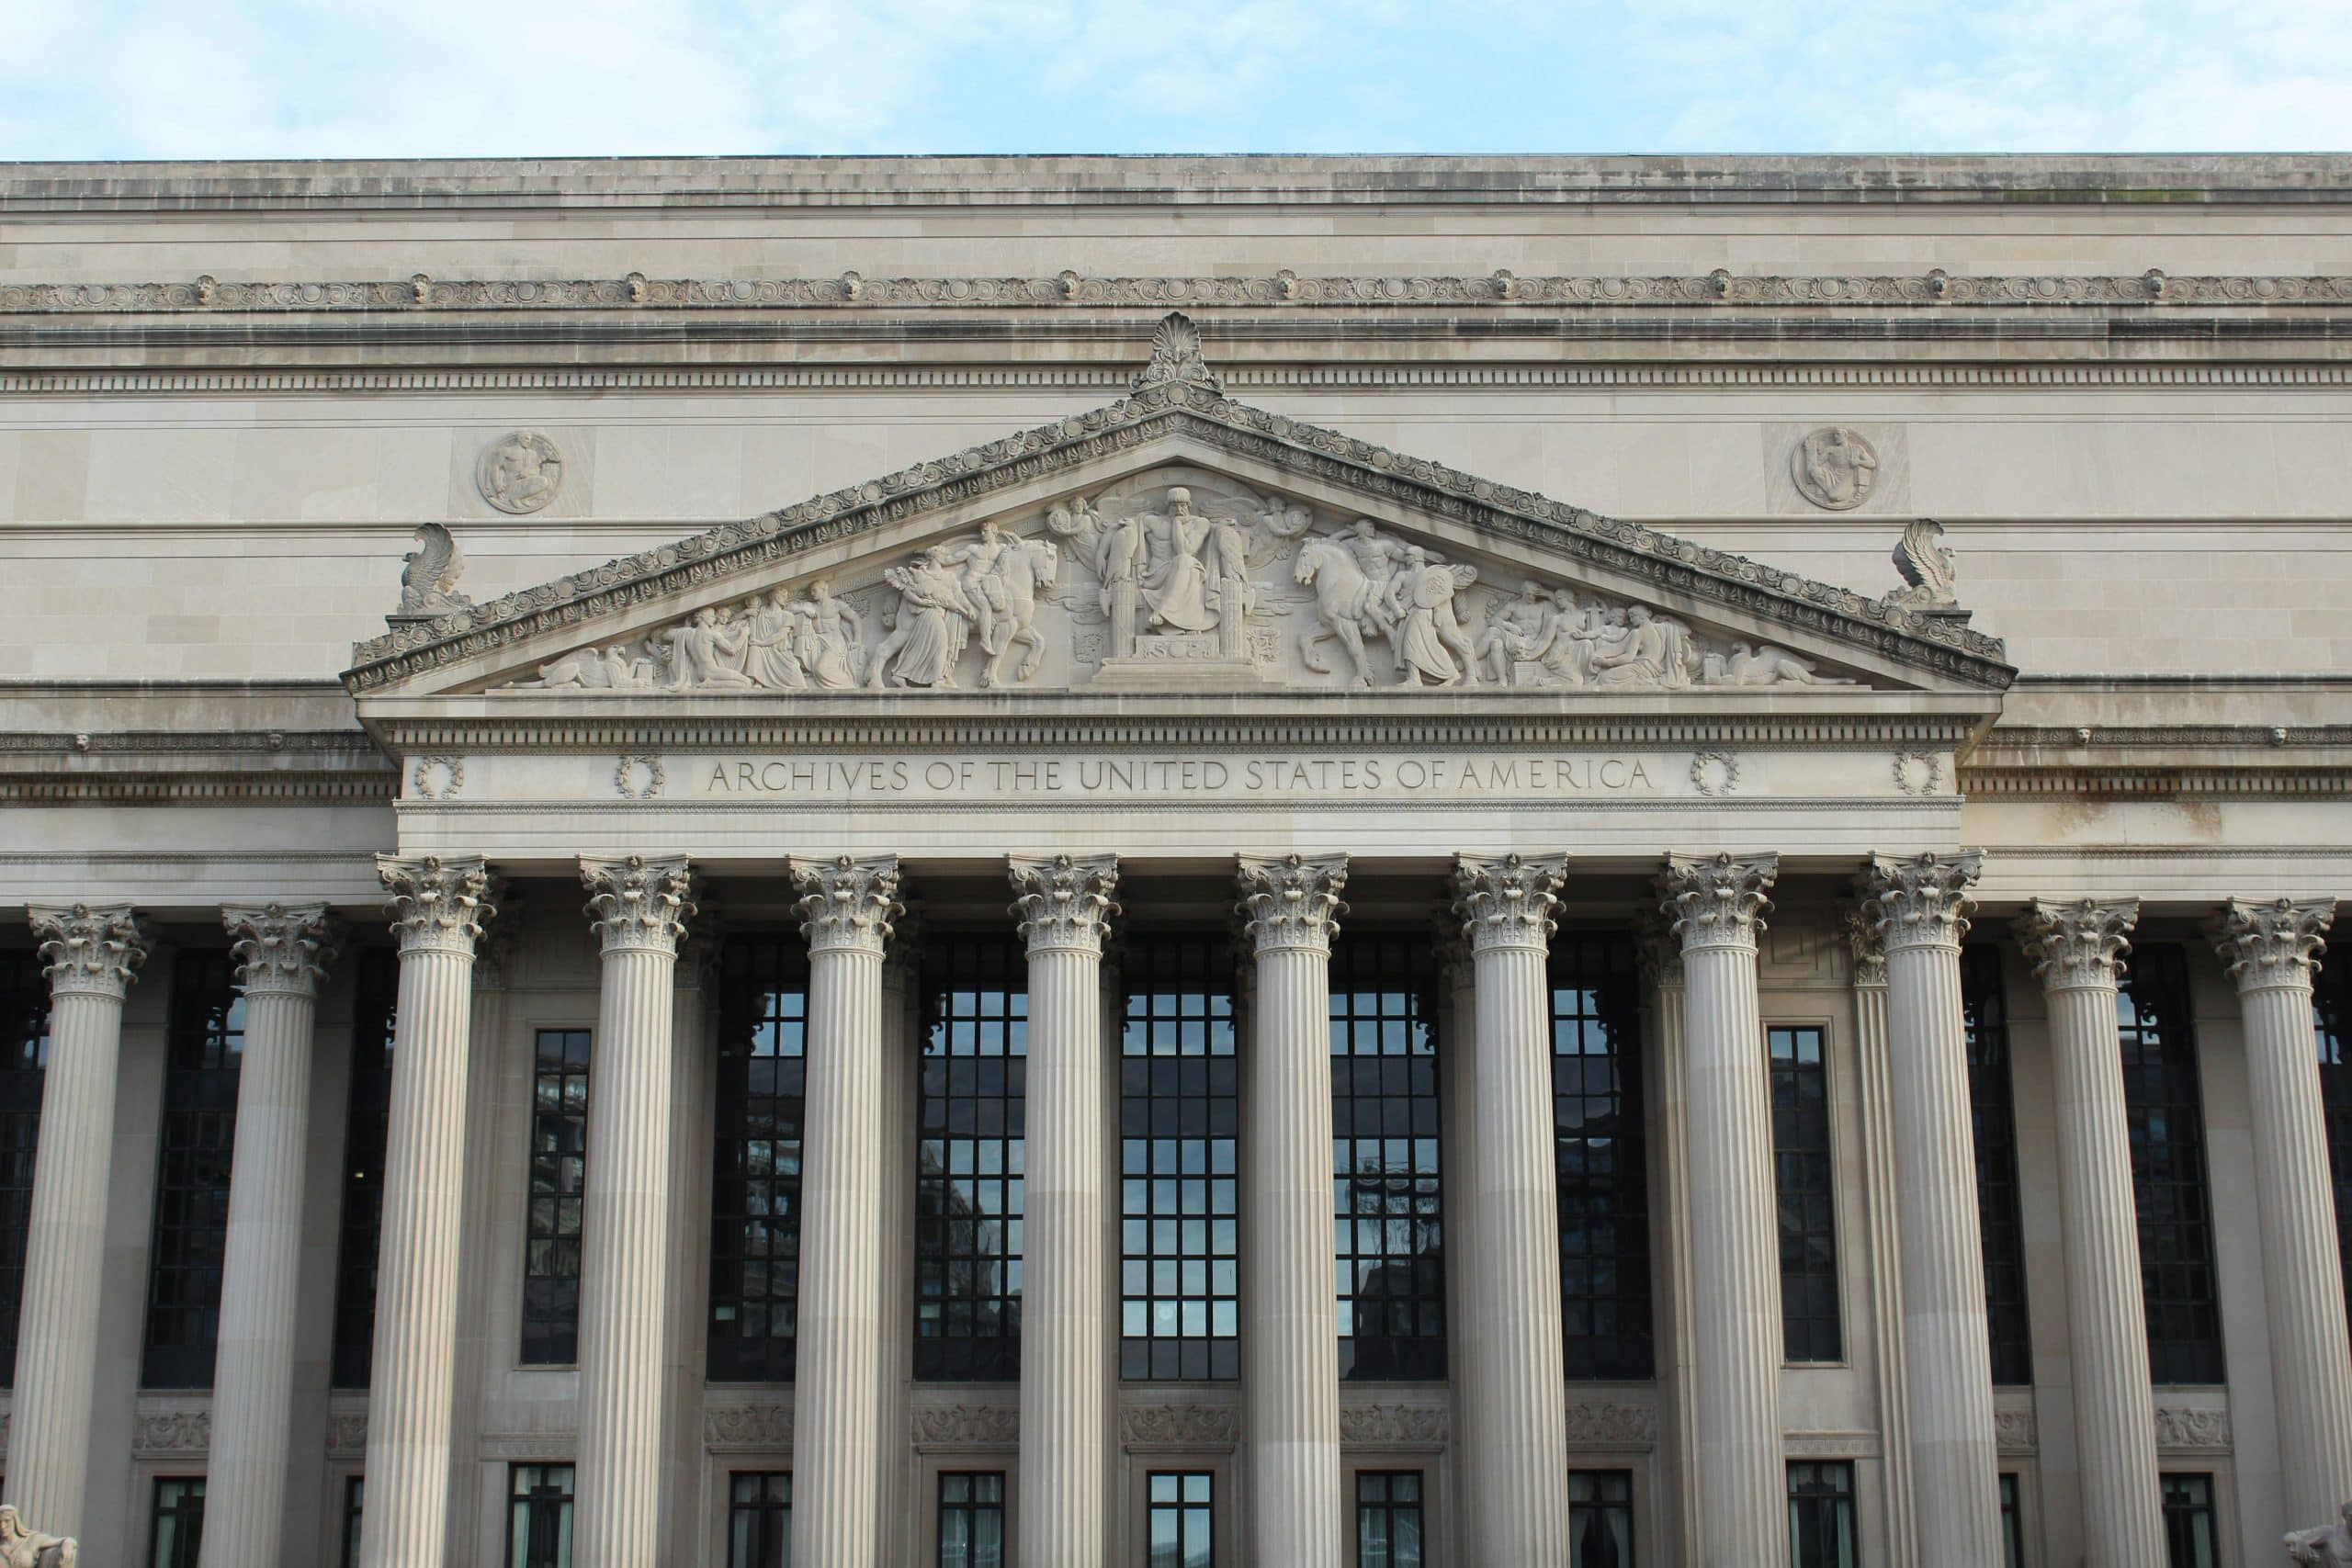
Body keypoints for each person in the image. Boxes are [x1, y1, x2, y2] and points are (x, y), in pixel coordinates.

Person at [1140, 487, 1216, 633]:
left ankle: (1163, 613)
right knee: (1186, 563)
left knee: (1187, 563)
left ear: (1189, 505)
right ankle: (1183, 623)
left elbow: (1184, 550)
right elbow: (1126, 528)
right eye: (1175, 505)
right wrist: (1100, 554)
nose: (1179, 509)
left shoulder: (1199, 523)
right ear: (1168, 505)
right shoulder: (1152, 521)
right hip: (1157, 574)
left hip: (1184, 568)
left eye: (1183, 505)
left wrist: (1177, 524)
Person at [1476, 580, 1558, 685]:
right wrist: (1510, 626)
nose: (1531, 597)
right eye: (1529, 594)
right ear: (1522, 591)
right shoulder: (1513, 606)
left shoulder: (1544, 605)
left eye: (1534, 595)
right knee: (1494, 636)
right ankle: (1502, 680)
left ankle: (1468, 660)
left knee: (1494, 633)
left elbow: (1564, 607)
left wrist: (1548, 593)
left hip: (1536, 643)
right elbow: (1494, 620)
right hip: (1517, 640)